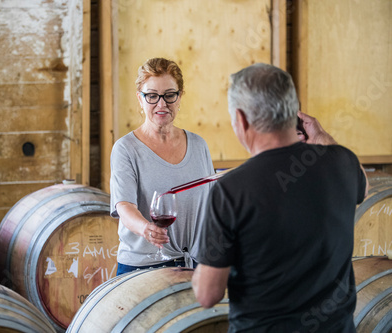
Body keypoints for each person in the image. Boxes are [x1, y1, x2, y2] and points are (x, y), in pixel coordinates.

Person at [192, 63, 368, 332]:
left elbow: (208, 295)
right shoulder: (343, 162)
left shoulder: (231, 189)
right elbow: (363, 187)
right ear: (293, 111)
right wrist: (322, 136)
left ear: (241, 119)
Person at [110, 57, 215, 275]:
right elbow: (124, 206)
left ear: (179, 97)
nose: (161, 104)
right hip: (143, 266)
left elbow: (211, 204)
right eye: (151, 96)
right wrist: (145, 229)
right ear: (140, 99)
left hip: (194, 265)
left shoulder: (198, 145)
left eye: (169, 95)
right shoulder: (126, 149)